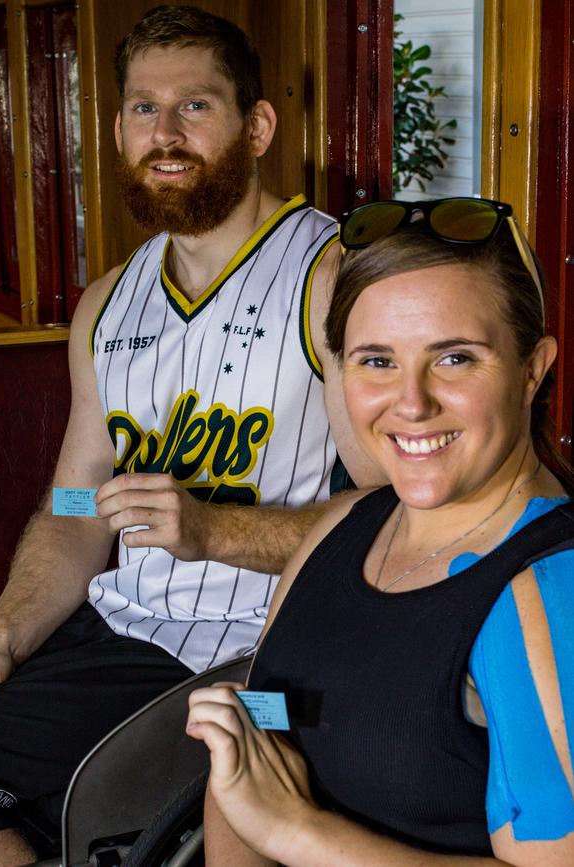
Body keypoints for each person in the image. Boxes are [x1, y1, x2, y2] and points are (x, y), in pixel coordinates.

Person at [0, 7, 379, 865]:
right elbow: (73, 499)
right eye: (142, 109)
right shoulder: (105, 305)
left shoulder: (330, 280)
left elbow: (389, 516)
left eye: (195, 107)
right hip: (116, 620)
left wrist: (215, 529)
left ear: (257, 125)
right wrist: (1, 638)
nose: (164, 133)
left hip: (238, 652)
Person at [187, 197, 574, 866]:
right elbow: (263, 740)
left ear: (531, 368)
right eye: (376, 361)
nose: (412, 402)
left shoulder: (545, 591)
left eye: (454, 358)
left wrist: (298, 832)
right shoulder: (343, 524)